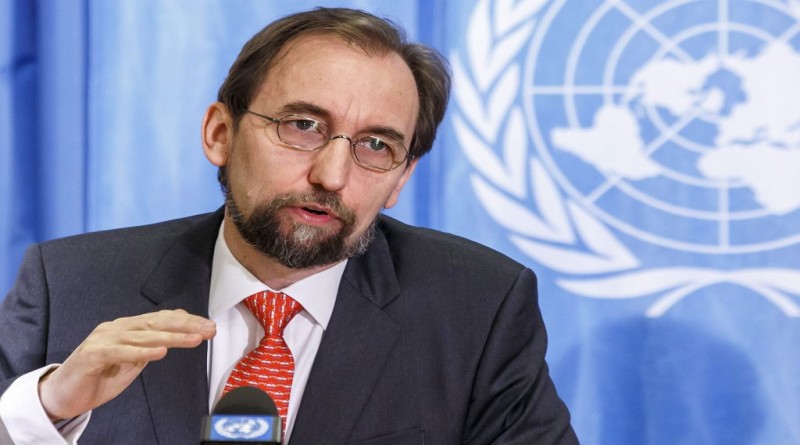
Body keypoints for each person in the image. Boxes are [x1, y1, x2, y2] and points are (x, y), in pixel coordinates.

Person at [0, 7, 578, 444]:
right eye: (303, 125)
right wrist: (49, 408)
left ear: (400, 179)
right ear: (219, 134)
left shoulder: (478, 307)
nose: (331, 175)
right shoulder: (70, 285)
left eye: (377, 145)